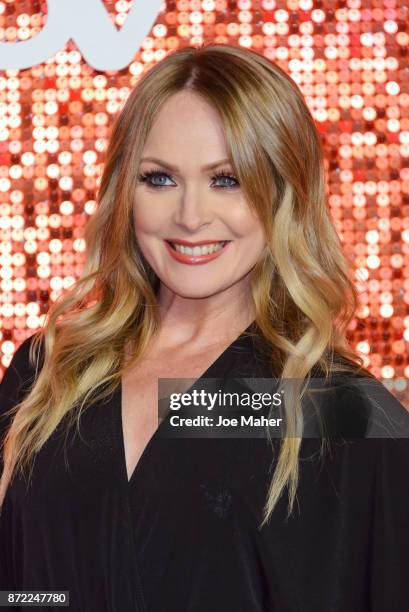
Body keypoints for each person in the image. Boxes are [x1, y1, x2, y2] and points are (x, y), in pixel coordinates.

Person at [0, 43, 408, 612]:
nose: (190, 217)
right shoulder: (50, 373)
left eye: (227, 180)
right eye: (160, 179)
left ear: (283, 193)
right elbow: (21, 589)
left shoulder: (333, 408)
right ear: (125, 191)